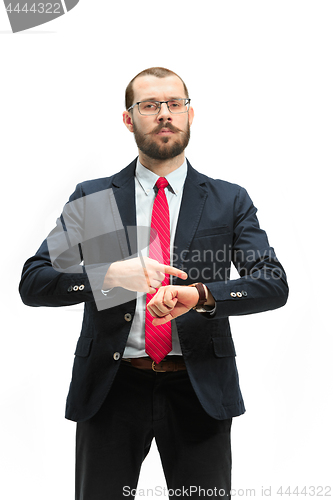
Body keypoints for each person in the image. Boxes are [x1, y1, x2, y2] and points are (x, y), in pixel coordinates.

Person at [19, 67, 289, 499]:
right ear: (129, 119)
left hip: (199, 386)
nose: (164, 114)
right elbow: (34, 282)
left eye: (174, 104)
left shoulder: (229, 199)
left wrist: (200, 295)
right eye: (149, 105)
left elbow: (272, 283)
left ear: (190, 113)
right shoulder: (93, 198)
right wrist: (107, 277)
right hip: (110, 388)